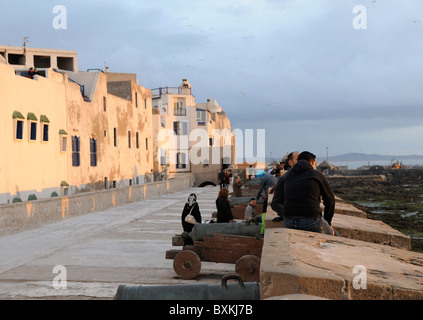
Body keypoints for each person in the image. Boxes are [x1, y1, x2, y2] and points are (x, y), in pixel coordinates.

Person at [271, 151, 337, 236]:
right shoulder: (316, 174)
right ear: (311, 162)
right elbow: (330, 200)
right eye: (314, 164)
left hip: (289, 221)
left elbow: (275, 203)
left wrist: (288, 213)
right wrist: (328, 222)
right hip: (311, 220)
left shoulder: (286, 176)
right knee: (335, 236)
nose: (314, 167)